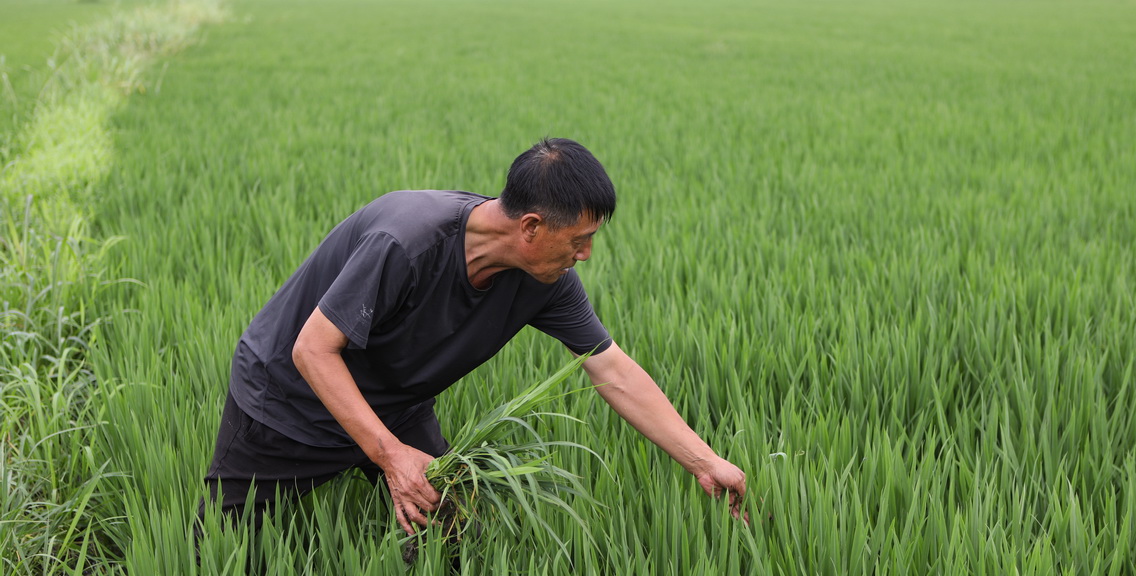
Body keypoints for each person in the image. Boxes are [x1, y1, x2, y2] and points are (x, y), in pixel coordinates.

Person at [199, 137, 746, 543]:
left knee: (450, 532)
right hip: (287, 398)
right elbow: (311, 349)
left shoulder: (546, 282)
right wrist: (391, 457)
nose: (585, 255)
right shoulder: (407, 241)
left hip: (395, 402)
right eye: (578, 241)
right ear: (531, 227)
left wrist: (703, 462)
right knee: (219, 555)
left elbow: (613, 372)